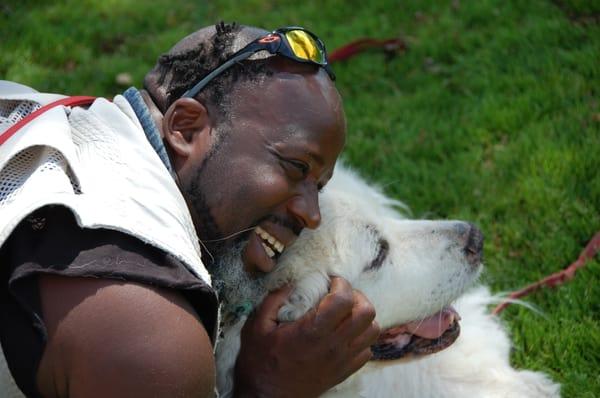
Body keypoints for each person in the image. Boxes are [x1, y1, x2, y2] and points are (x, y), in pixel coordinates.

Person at [0, 22, 380, 397]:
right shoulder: (152, 338)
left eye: (319, 186)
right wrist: (268, 387)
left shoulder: (54, 119)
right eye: (297, 167)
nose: (312, 215)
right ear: (184, 128)